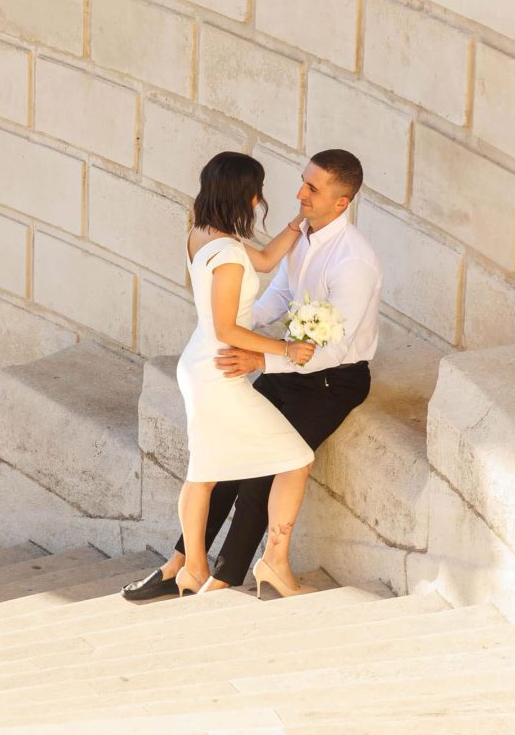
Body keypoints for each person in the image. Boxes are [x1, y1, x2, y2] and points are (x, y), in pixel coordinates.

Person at [124, 148, 382, 601]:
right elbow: (275, 297)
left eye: (312, 188)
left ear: (341, 202)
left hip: (331, 381)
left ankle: (223, 577)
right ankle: (182, 565)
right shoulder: (298, 237)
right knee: (227, 461)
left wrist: (261, 357)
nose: (298, 193)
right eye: (303, 181)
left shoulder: (354, 261)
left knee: (263, 466)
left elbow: (334, 350)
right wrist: (243, 333)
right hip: (283, 366)